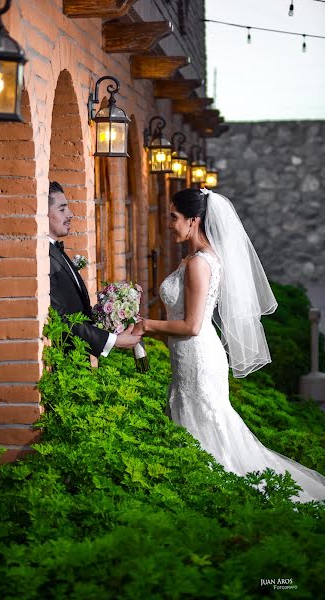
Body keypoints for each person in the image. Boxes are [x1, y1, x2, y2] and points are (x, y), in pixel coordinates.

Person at [133, 187, 325, 503]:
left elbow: (192, 326)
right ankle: (205, 488)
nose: (169, 224)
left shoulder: (199, 263)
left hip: (199, 356)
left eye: (174, 217)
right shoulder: (197, 258)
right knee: (200, 420)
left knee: (207, 423)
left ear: (194, 220)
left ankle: (221, 492)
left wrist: (147, 324)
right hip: (190, 355)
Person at [48, 181, 140, 358]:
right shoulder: (45, 257)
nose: (71, 214)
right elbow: (61, 319)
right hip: (66, 360)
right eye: (62, 209)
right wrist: (113, 340)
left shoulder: (55, 251)